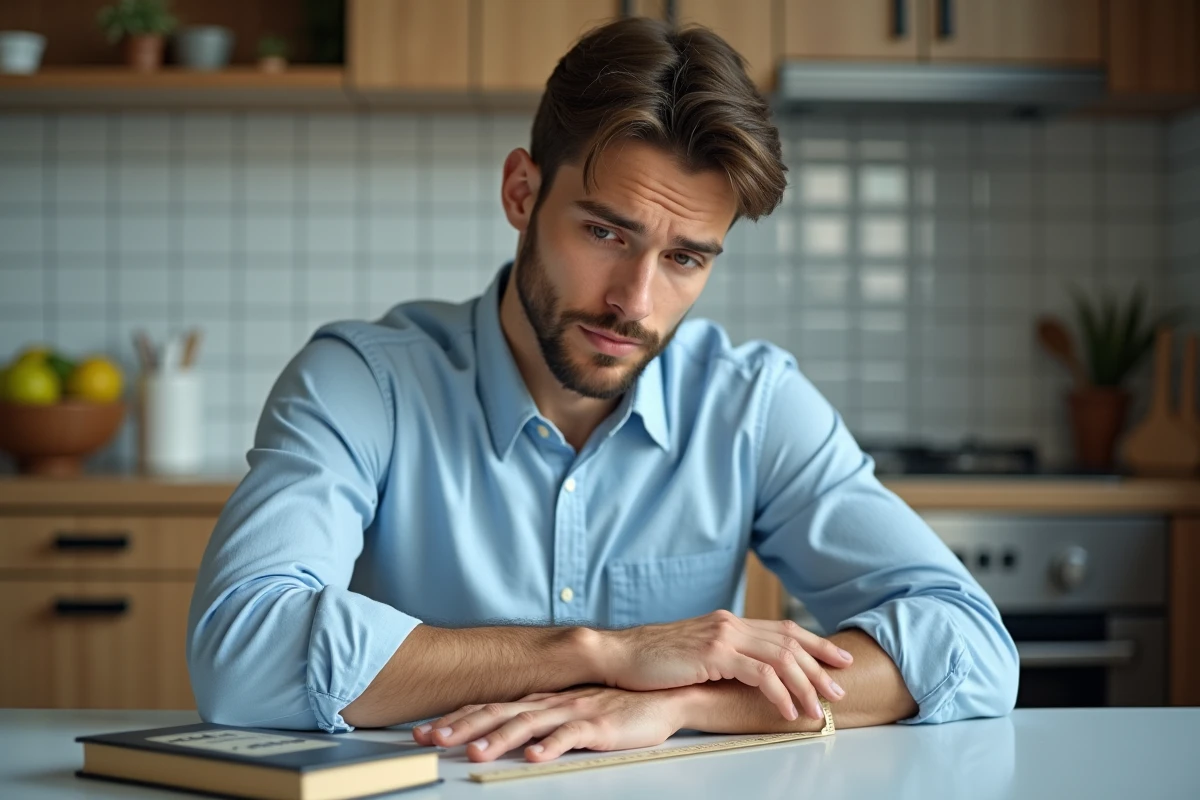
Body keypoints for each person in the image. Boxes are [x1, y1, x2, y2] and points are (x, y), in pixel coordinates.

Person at [187, 16, 1018, 764]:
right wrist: (602, 653)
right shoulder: (364, 383)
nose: (636, 301)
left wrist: (682, 705)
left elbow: (971, 644)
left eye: (686, 257)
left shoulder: (750, 404)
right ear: (522, 192)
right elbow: (241, 650)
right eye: (604, 233)